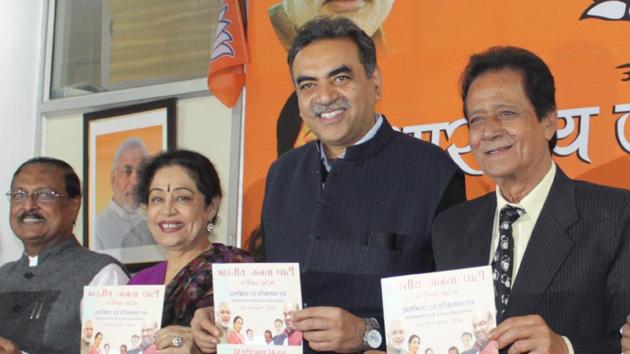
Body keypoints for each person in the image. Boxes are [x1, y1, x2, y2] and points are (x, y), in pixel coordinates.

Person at [192, 17, 465, 354]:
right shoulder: (282, 174)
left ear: (374, 83)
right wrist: (225, 315)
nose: (324, 96)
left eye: (340, 78)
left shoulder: (433, 172)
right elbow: (274, 292)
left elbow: (457, 315)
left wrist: (369, 332)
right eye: (307, 85)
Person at [432, 46, 630, 353]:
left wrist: (565, 348)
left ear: (549, 121)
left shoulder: (616, 216)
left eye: (506, 114)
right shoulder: (449, 228)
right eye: (476, 119)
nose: (488, 132)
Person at [128, 150, 254, 352]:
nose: (168, 210)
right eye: (157, 199)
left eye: (182, 198)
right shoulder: (138, 284)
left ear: (211, 207)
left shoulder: (240, 273)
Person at [0, 157, 128, 354]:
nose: (28, 206)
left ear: (73, 206)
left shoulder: (103, 275)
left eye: (44, 195)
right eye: (19, 195)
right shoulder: (3, 276)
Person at [94, 137, 155, 250]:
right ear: (113, 179)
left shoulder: (154, 223)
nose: (135, 181)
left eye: (141, 172)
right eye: (127, 171)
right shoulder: (97, 228)